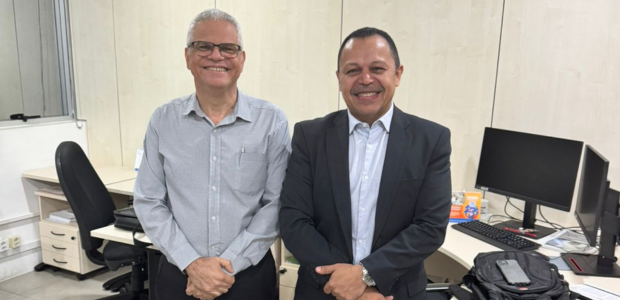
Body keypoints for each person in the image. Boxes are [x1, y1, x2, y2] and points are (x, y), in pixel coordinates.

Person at [279, 27, 452, 300]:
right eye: (352, 70)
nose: (365, 79)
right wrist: (345, 283)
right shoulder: (309, 137)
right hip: (322, 290)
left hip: (395, 293)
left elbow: (430, 226)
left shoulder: (431, 140)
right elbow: (293, 221)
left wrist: (366, 276)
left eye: (377, 68)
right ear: (339, 79)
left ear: (398, 74)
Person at [134, 8, 290, 300]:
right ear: (188, 57)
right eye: (203, 46)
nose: (216, 56)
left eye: (228, 48)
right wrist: (192, 264)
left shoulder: (272, 122)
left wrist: (227, 266)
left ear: (241, 59)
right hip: (179, 274)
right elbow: (148, 201)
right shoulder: (163, 121)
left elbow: (276, 203)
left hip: (248, 277)